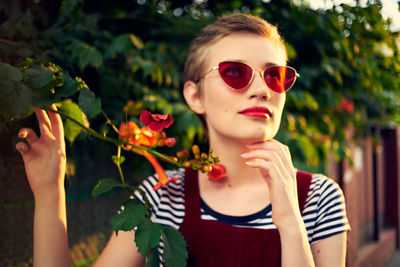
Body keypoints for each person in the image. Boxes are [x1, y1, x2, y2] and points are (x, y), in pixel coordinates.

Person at [16, 13, 350, 267]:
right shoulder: (162, 197)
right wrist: (49, 192)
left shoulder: (318, 199)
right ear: (195, 96)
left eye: (275, 75)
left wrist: (290, 221)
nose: (262, 89)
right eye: (235, 72)